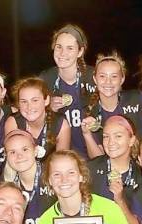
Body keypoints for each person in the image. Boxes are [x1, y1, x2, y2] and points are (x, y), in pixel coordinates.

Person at [39, 24, 96, 159]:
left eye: (70, 48)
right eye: (59, 47)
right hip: (60, 158)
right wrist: (46, 108)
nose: (63, 53)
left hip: (95, 157)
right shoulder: (45, 79)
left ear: (80, 51)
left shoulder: (94, 77)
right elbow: (30, 116)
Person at [80, 52, 142, 158]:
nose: (108, 82)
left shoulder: (136, 99)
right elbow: (98, 160)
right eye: (102, 76)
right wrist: (87, 134)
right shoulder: (89, 112)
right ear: (95, 79)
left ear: (122, 79)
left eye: (114, 76)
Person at [4, 77, 70, 168]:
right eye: (24, 102)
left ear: (46, 100)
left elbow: (61, 164)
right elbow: (13, 162)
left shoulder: (61, 124)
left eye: (35, 100)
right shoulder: (13, 122)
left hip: (48, 175)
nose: (29, 107)